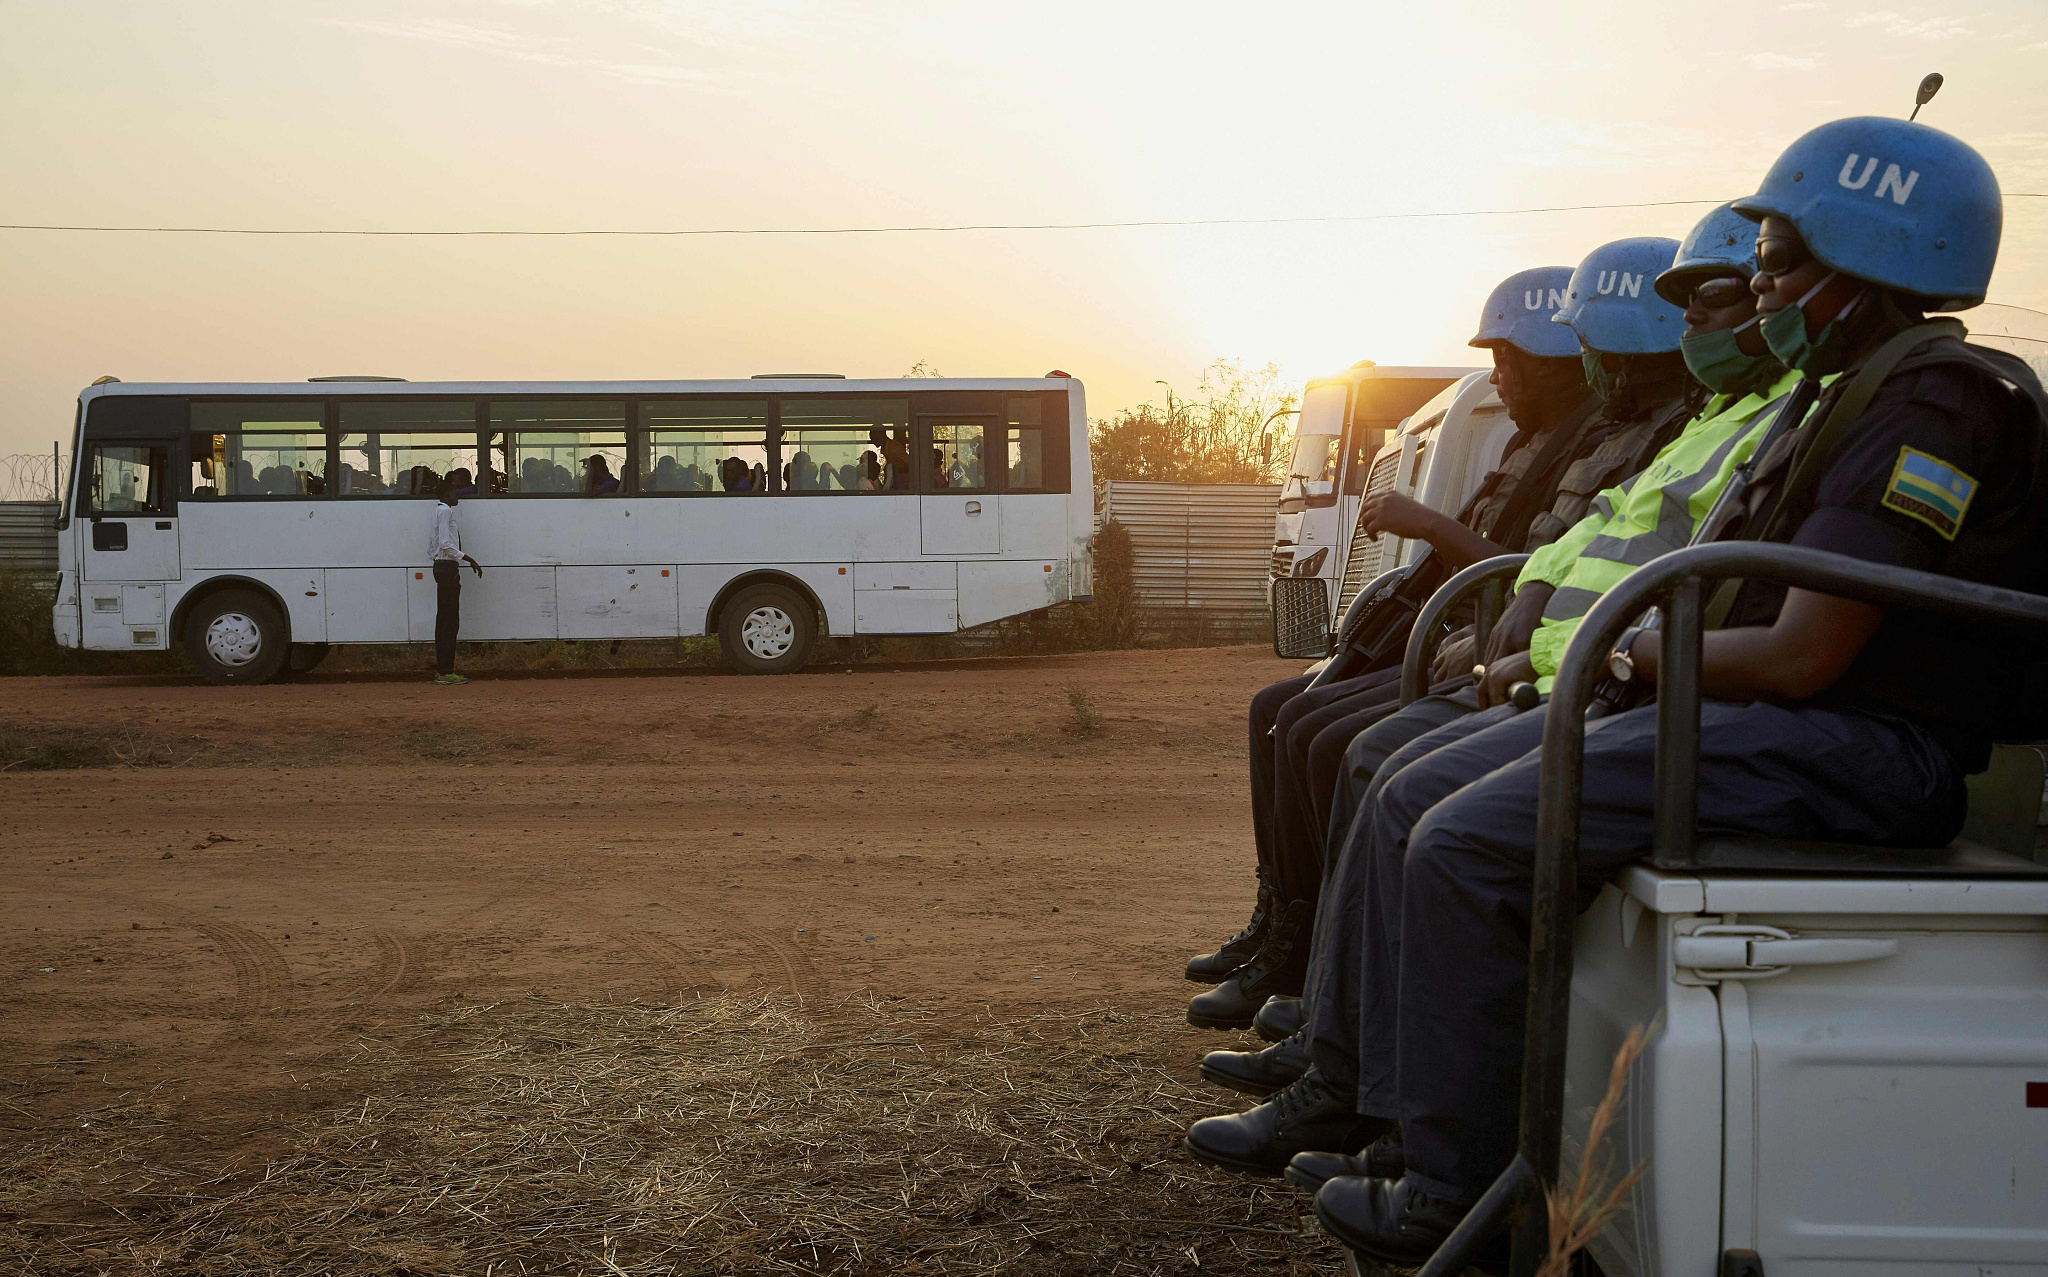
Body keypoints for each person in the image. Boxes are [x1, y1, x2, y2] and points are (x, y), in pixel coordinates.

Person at [1308, 118, 2048, 1267]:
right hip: (1777, 719)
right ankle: (1409, 1133)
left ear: (1867, 268)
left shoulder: (1936, 405)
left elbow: (1804, 652)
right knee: (1416, 794)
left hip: (1858, 743)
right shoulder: (1844, 388)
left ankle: (1456, 1197)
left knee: (1461, 842)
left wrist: (1626, 658)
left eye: (1778, 262)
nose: (1758, 288)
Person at [1189, 210, 1803, 1173]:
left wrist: (1548, 652)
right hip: (1565, 663)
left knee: (1406, 792)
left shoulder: (1777, 420)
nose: (1700, 324)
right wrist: (1527, 632)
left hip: (1605, 680)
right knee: (1328, 738)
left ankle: (1411, 1137)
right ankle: (1331, 1026)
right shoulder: (1699, 428)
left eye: (1728, 295)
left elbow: (1722, 607)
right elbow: (1580, 548)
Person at [1187, 252, 1698, 1041]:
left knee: (1331, 740)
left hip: (1525, 654)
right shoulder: (1552, 442)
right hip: (1500, 640)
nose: (1500, 380)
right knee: (1279, 711)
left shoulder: (1607, 438)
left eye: (1511, 360)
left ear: (1574, 361)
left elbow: (1526, 557)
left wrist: (1431, 530)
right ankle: (1286, 930)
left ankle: (1325, 976)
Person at [428, 480, 485, 685]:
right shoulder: (446, 512)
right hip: (447, 568)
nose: (458, 495)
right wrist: (467, 558)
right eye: (454, 492)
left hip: (440, 566)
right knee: (450, 621)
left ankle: (443, 670)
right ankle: (446, 672)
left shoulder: (438, 511)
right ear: (446, 494)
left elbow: (433, 544)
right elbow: (445, 542)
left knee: (443, 619)